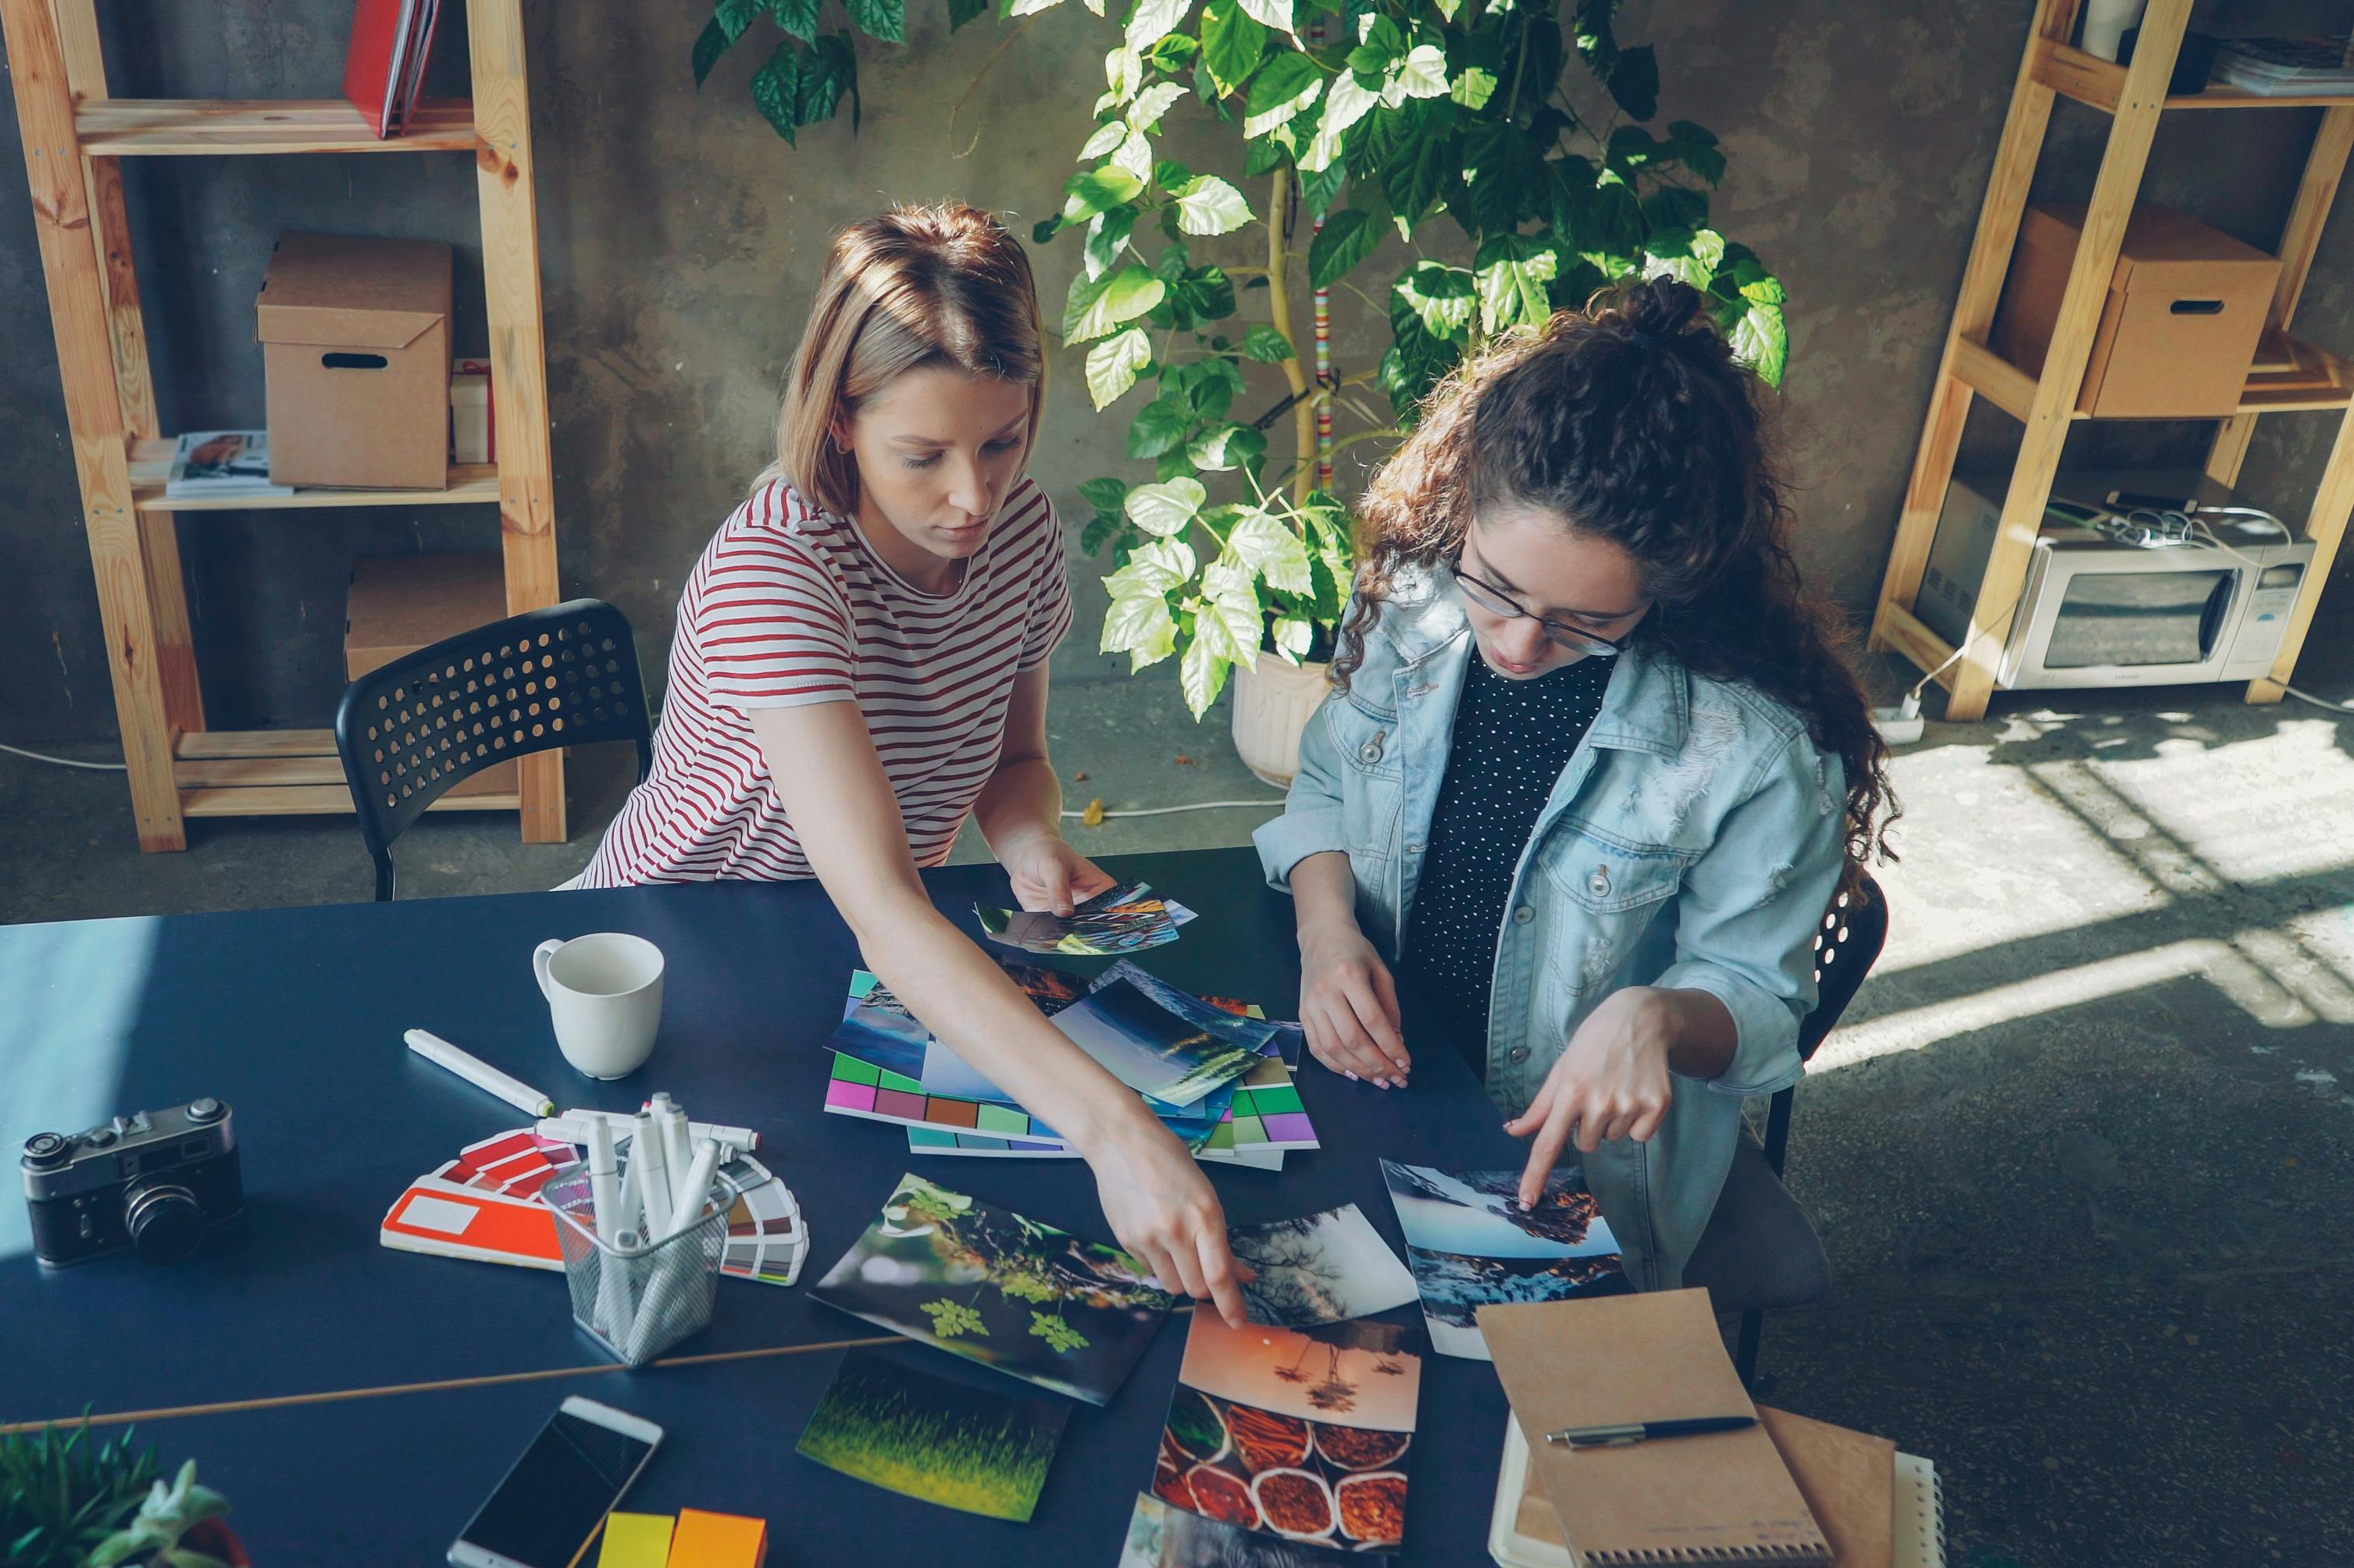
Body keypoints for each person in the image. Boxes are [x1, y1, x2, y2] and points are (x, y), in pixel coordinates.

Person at [572, 204, 1250, 1323]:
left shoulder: (1019, 532)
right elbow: (885, 906)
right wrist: (1117, 1127)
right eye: (922, 455)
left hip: (859, 961)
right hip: (679, 944)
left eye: (1002, 441)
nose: (972, 496)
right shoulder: (775, 572)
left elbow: (1015, 756)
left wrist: (1028, 835)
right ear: (840, 420)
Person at [1254, 279, 1896, 1291]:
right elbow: (1329, 781)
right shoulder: (1417, 608)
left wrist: (1655, 1018)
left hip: (1565, 1180)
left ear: (1673, 579)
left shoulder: (1751, 749)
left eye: (1584, 621)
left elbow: (1762, 1000)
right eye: (1496, 586)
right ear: (1466, 506)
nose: (1516, 642)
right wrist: (1327, 932)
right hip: (1378, 1082)